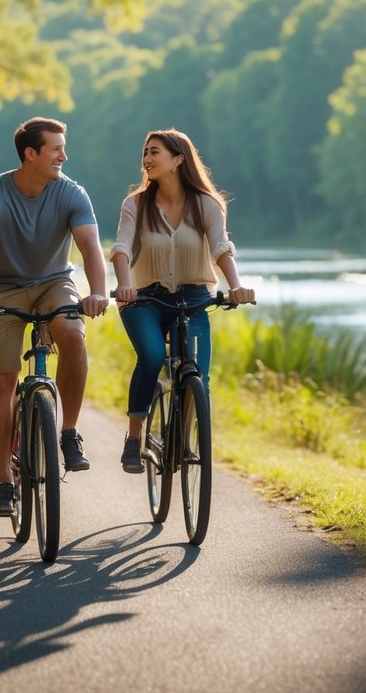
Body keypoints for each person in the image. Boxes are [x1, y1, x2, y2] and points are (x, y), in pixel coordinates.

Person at [0, 116, 110, 517]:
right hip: (1, 291)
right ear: (31, 154)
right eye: (56, 148)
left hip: (53, 283)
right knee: (3, 381)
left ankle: (68, 433)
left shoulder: (71, 193)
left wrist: (97, 292)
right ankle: (4, 482)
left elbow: (90, 248)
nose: (64, 155)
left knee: (73, 336)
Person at [110, 128, 255, 473]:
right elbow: (121, 249)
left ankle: (184, 440)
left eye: (154, 152)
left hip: (192, 299)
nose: (146, 159)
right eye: (144, 152)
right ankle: (134, 437)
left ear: (178, 160)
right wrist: (124, 285)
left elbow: (221, 247)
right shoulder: (136, 205)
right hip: (144, 299)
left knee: (197, 380)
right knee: (152, 355)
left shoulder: (206, 204)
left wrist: (236, 285)